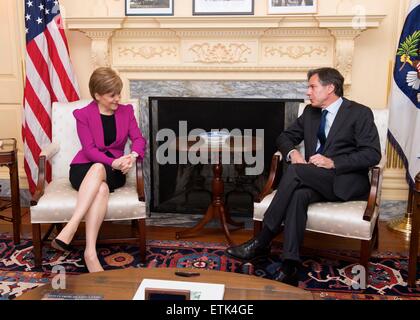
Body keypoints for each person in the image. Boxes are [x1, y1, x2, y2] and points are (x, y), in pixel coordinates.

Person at [225, 67, 381, 285]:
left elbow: (372, 153)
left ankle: (263, 239)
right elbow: (285, 136)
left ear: (330, 88)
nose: (308, 92)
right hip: (314, 177)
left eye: (312, 87)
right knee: (298, 195)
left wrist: (333, 162)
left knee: (296, 171)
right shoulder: (310, 112)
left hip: (345, 180)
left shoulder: (359, 113)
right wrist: (293, 152)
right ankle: (290, 264)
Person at [51, 67, 146, 273]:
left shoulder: (126, 111)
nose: (118, 98)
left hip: (115, 170)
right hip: (83, 168)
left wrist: (133, 156)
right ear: (97, 95)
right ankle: (90, 253)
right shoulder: (83, 115)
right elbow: (90, 150)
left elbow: (138, 139)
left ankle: (72, 226)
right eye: (112, 95)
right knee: (100, 186)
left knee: (101, 174)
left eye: (119, 93)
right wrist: (110, 163)